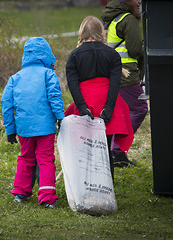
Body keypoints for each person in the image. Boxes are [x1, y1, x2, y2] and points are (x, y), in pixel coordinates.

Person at [64, 16, 134, 180]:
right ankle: (107, 185)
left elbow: (72, 84)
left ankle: (86, 183)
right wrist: (109, 108)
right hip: (106, 102)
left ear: (82, 32)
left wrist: (82, 107)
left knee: (85, 147)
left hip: (86, 101)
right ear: (101, 32)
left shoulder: (74, 55)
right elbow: (115, 84)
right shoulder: (112, 54)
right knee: (105, 147)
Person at [1, 37, 65, 209]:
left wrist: (10, 129)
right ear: (47, 55)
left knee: (25, 158)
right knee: (45, 159)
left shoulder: (15, 78)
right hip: (45, 128)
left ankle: (21, 192)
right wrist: (60, 117)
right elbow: (54, 97)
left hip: (24, 128)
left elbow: (6, 103)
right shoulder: (48, 74)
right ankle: (47, 197)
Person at [102, 0, 148, 167]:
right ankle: (116, 150)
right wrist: (146, 46)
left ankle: (116, 153)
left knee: (121, 112)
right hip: (126, 74)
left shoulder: (114, 18)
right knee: (140, 108)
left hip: (112, 72)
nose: (140, 1)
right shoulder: (128, 19)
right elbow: (135, 50)